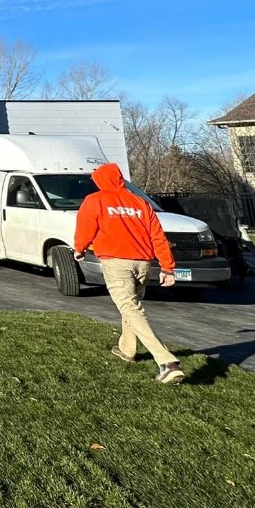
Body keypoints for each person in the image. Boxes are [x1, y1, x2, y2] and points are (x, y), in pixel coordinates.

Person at [73, 163, 185, 385]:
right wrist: (167, 267)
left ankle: (166, 363)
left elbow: (86, 227)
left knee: (131, 309)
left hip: (117, 263)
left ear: (99, 181)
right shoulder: (140, 203)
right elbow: (158, 236)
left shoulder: (95, 200)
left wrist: (79, 248)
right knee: (131, 307)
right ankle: (127, 350)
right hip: (143, 263)